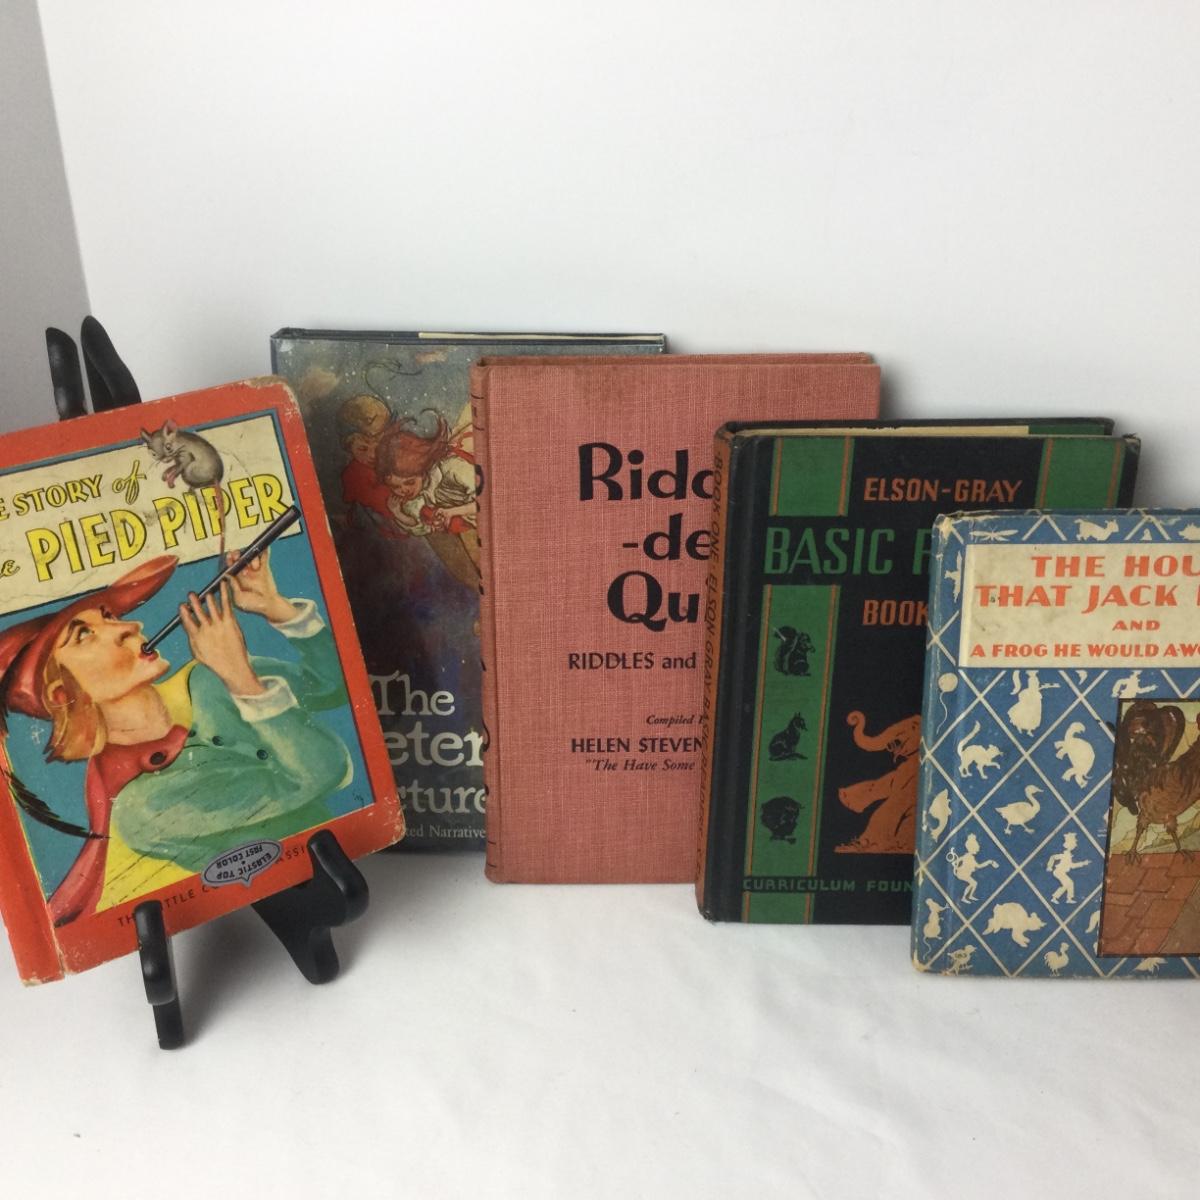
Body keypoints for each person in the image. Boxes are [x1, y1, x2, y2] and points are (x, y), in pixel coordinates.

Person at [0, 549, 353, 926]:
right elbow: (323, 772)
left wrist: (275, 607)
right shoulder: (140, 808)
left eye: (109, 616)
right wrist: (242, 680)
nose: (129, 626)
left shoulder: (204, 679)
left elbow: (333, 687)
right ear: (60, 695)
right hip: (255, 914)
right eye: (85, 635)